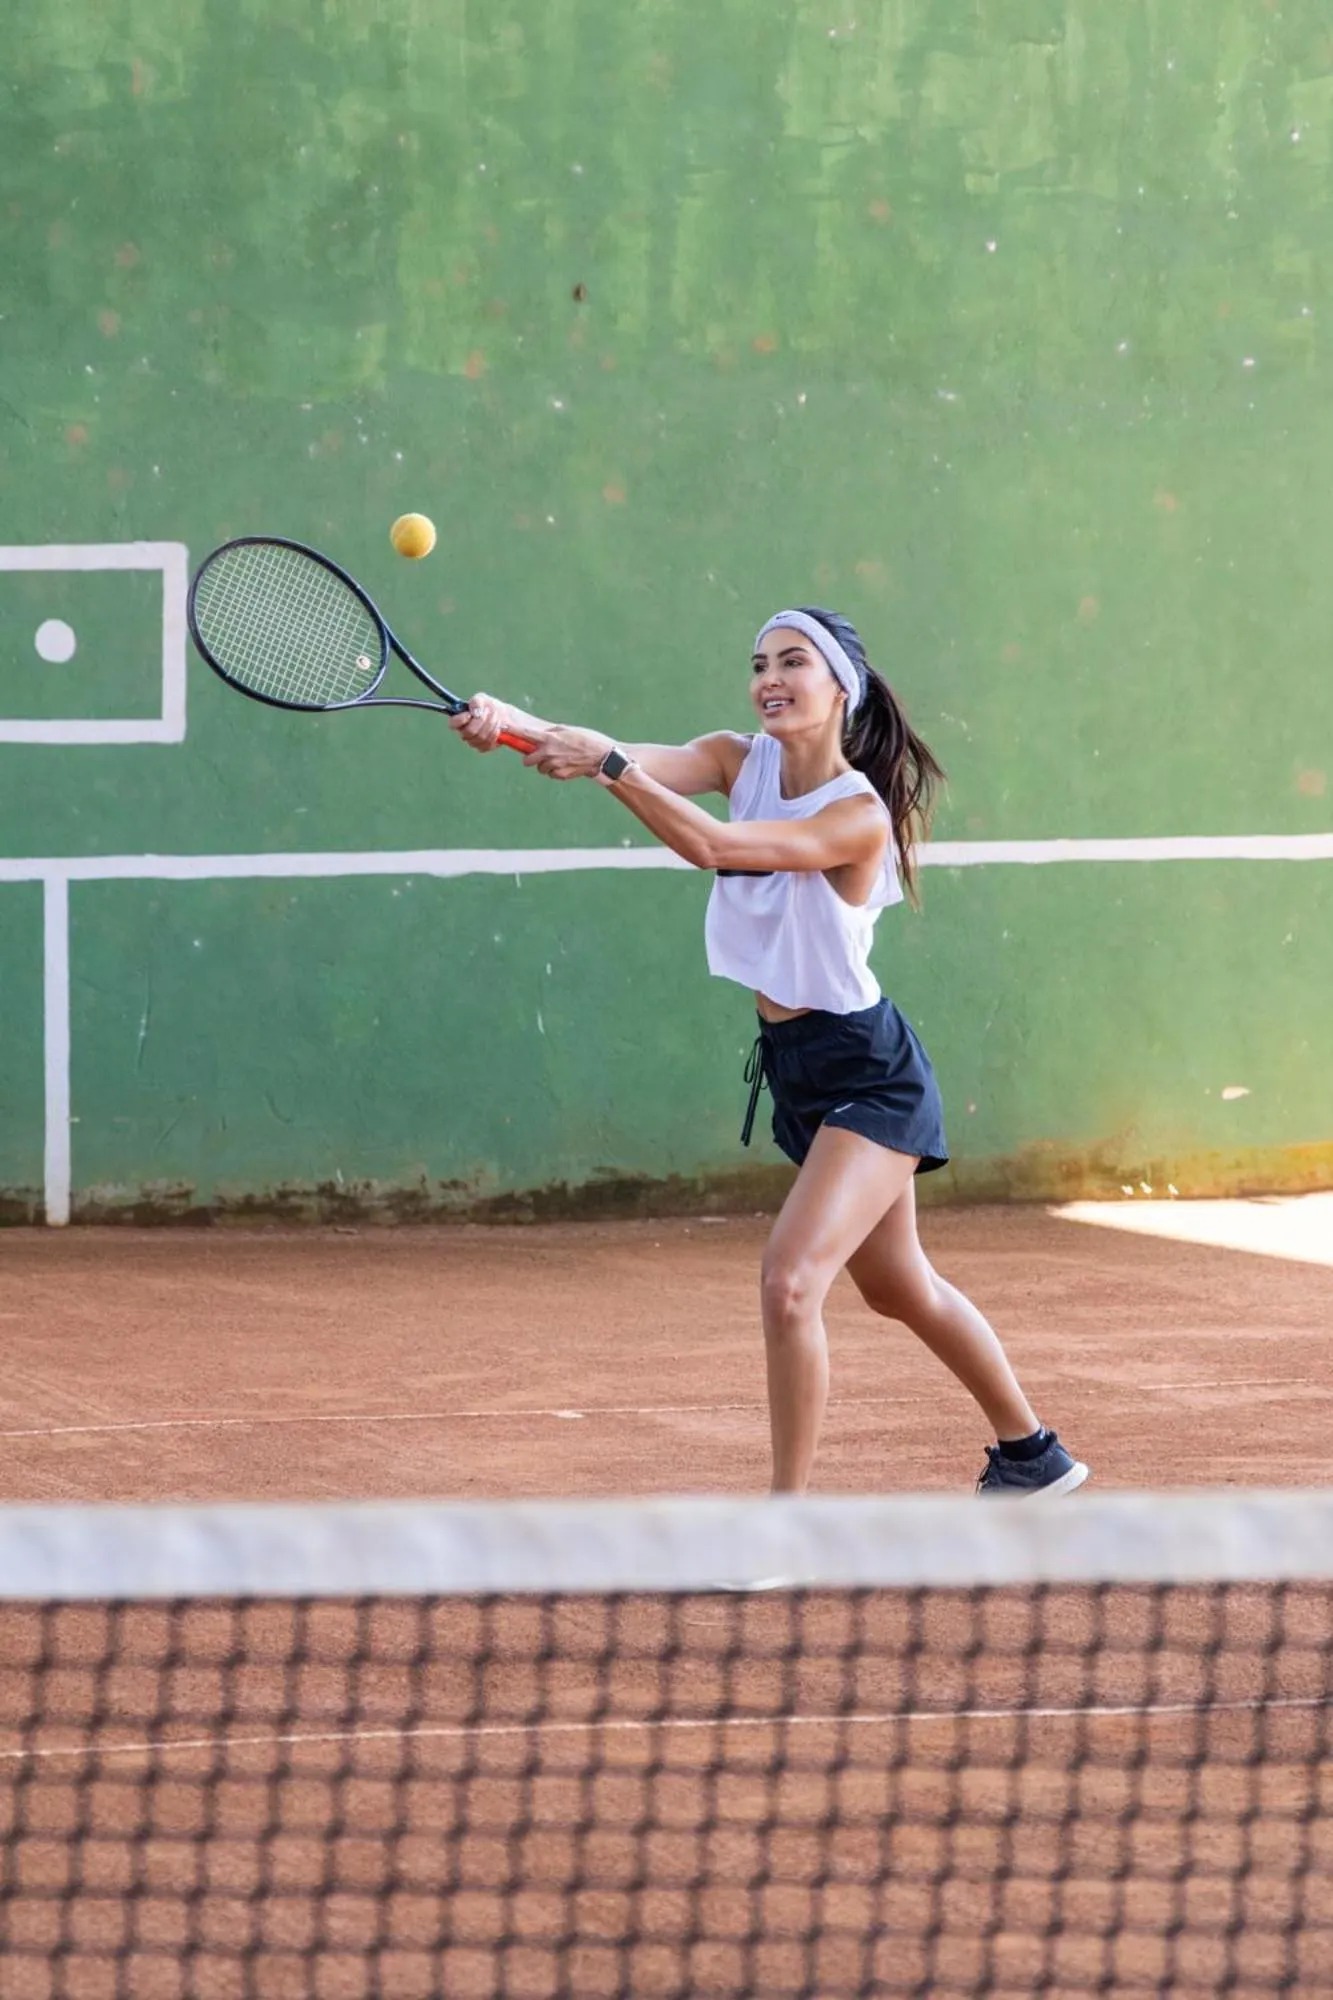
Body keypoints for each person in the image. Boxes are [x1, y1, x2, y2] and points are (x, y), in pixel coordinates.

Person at [450, 608, 1088, 1499]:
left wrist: (603, 762)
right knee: (899, 1287)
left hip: (868, 1073)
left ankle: (785, 1518)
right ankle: (1033, 1454)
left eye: (794, 661)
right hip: (796, 1070)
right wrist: (509, 725)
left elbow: (712, 844)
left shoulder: (855, 814)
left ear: (840, 690)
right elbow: (616, 754)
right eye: (759, 664)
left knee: (790, 1283)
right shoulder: (731, 758)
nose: (769, 678)